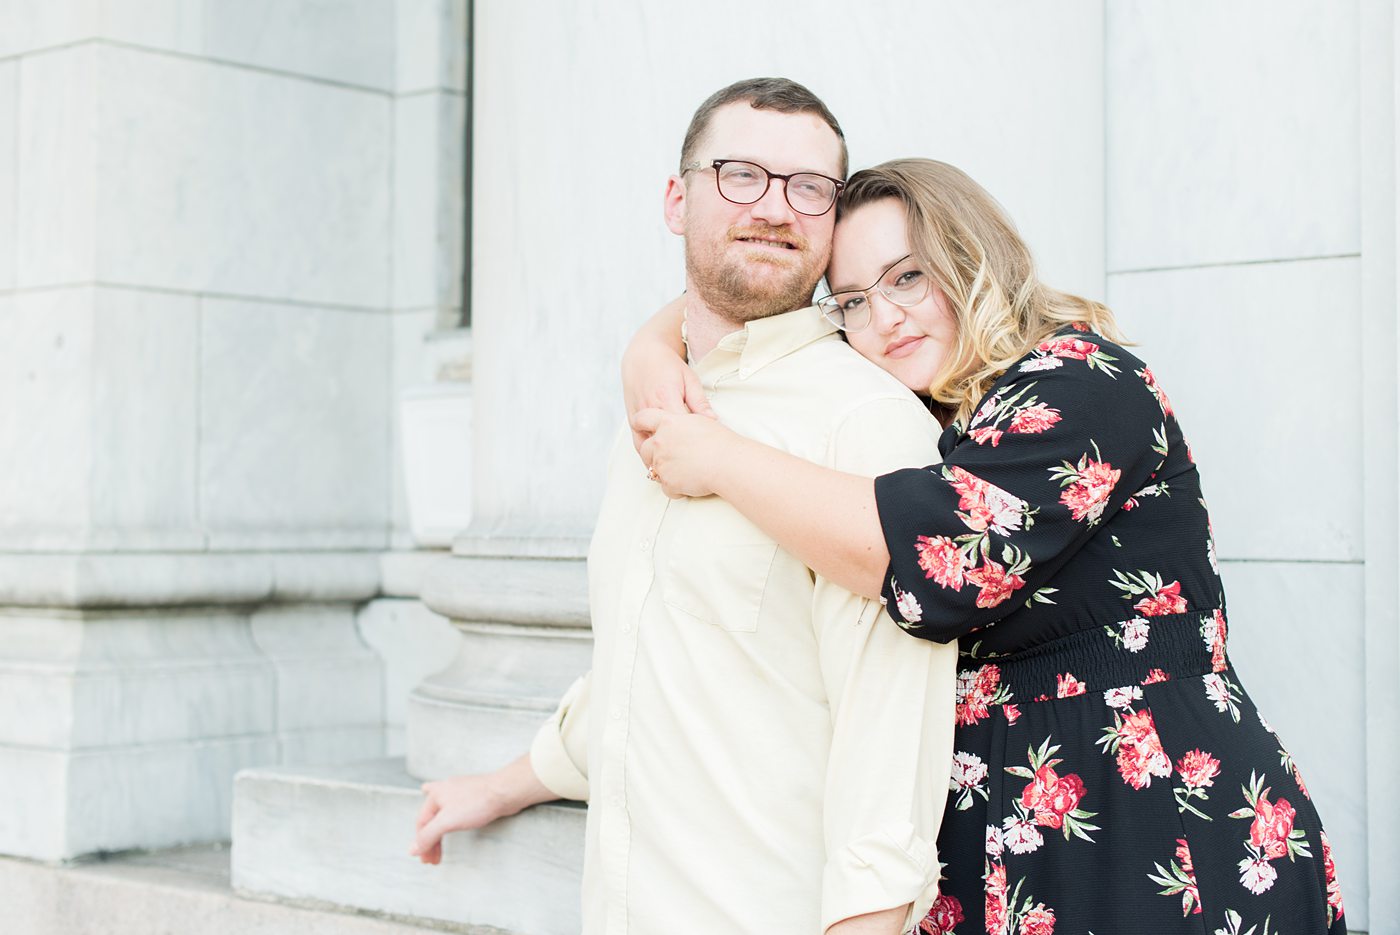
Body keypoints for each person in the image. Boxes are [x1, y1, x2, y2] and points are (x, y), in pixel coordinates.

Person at [629, 158, 1347, 935]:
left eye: (907, 278)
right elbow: (740, 298)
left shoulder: (1083, 378)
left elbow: (946, 557)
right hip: (998, 834)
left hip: (1146, 819)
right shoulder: (932, 423)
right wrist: (649, 347)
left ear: (969, 256)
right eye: (853, 303)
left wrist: (718, 457)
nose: (885, 320)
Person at [411, 78, 960, 935]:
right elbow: (653, 661)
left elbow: (892, 748)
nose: (775, 207)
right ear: (678, 198)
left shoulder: (864, 421)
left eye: (809, 187)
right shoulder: (659, 406)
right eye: (740, 174)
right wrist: (501, 784)